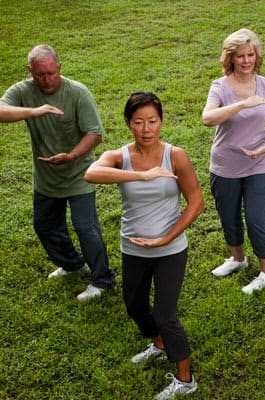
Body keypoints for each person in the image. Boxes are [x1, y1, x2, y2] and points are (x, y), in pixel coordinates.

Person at [84, 92, 204, 399]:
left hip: (170, 249)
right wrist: (141, 174)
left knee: (165, 314)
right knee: (135, 305)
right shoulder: (119, 156)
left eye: (152, 121)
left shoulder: (175, 156)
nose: (146, 128)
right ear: (128, 123)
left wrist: (167, 237)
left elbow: (196, 202)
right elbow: (91, 173)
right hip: (133, 248)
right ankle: (159, 343)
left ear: (161, 121)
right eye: (138, 122)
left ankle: (185, 380)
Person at [0, 44, 115, 301]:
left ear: (59, 67)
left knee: (85, 228)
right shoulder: (24, 91)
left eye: (50, 73)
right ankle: (72, 263)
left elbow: (95, 134)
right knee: (44, 226)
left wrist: (70, 156)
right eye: (39, 75)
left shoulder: (78, 93)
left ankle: (103, 279)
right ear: (30, 72)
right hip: (46, 177)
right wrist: (35, 110)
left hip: (79, 174)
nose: (45, 80)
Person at [202, 28, 265, 294]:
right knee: (229, 217)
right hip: (224, 165)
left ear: (257, 56)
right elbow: (207, 119)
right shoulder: (219, 87)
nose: (246, 61)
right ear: (230, 58)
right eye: (240, 56)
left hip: (259, 165)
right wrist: (243, 104)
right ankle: (238, 259)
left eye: (250, 54)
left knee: (255, 218)